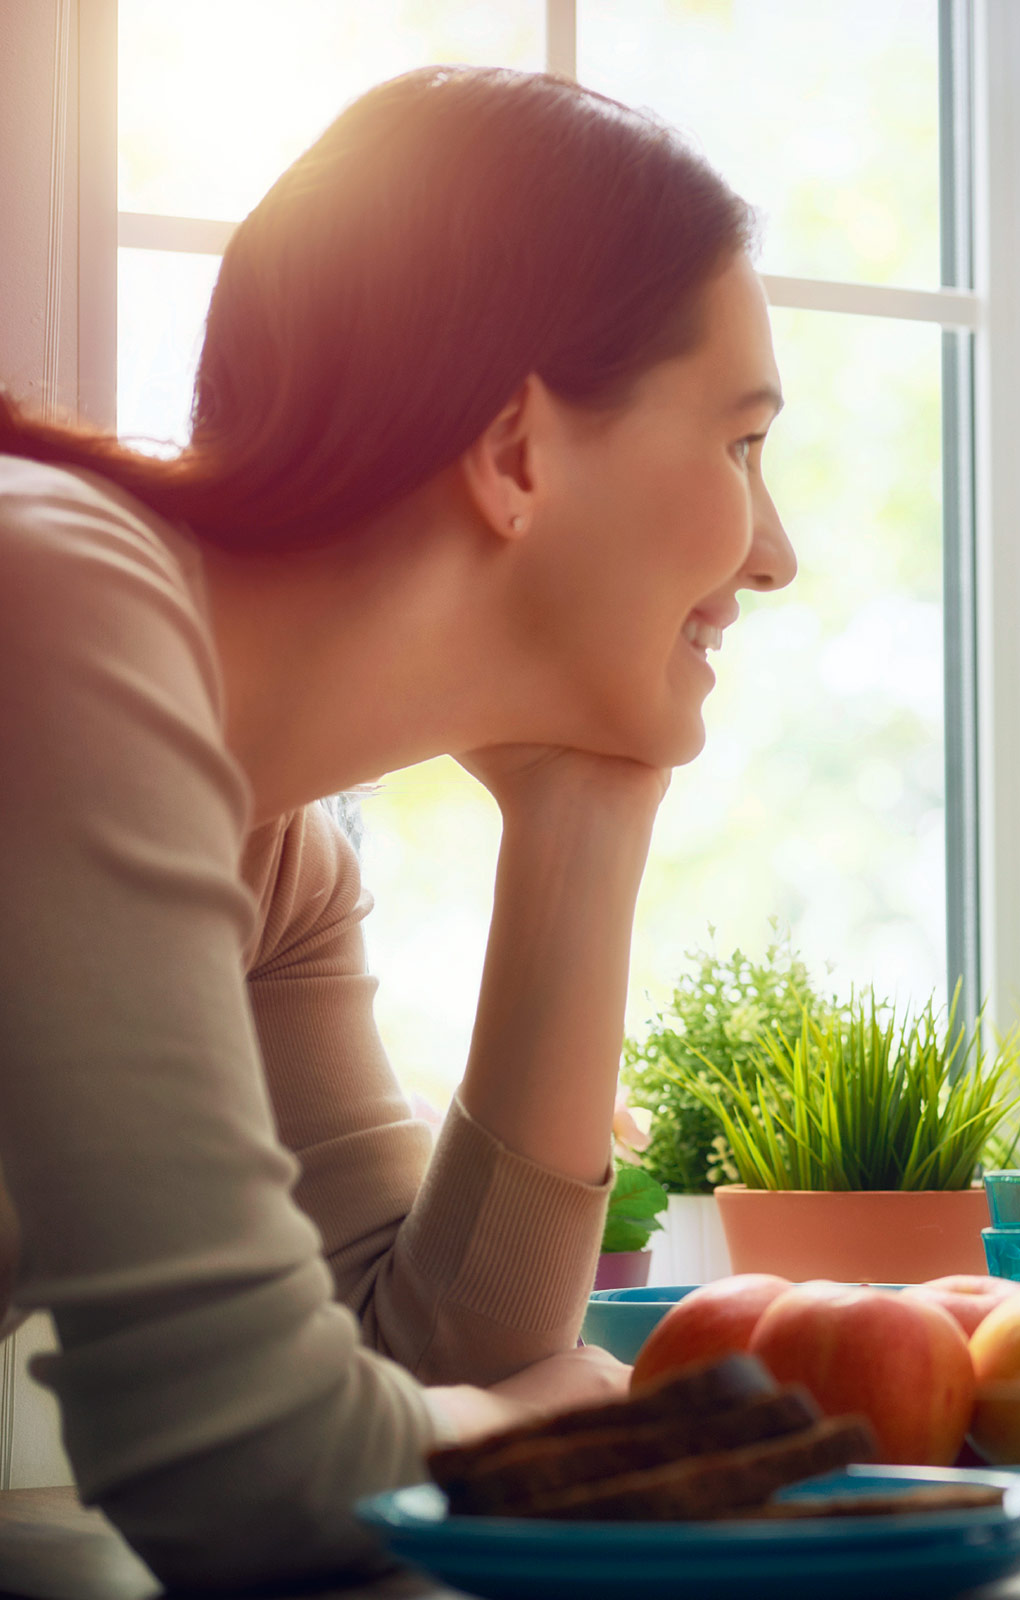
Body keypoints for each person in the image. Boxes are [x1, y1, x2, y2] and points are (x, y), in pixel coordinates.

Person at [0, 67, 793, 1586]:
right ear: (515, 453)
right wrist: (557, 1430)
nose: (776, 556)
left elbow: (415, 1344)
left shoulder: (272, 853)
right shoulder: (56, 602)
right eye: (742, 442)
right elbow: (258, 1470)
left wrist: (584, 817)